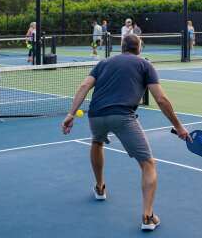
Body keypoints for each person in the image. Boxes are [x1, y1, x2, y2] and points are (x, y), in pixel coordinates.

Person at [61, 34, 189, 231]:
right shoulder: (145, 65)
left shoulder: (103, 63)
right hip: (123, 116)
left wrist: (71, 114)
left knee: (97, 142)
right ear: (140, 48)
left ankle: (100, 188)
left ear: (121, 47)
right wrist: (179, 126)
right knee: (148, 164)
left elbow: (84, 85)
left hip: (96, 115)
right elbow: (161, 99)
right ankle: (147, 216)